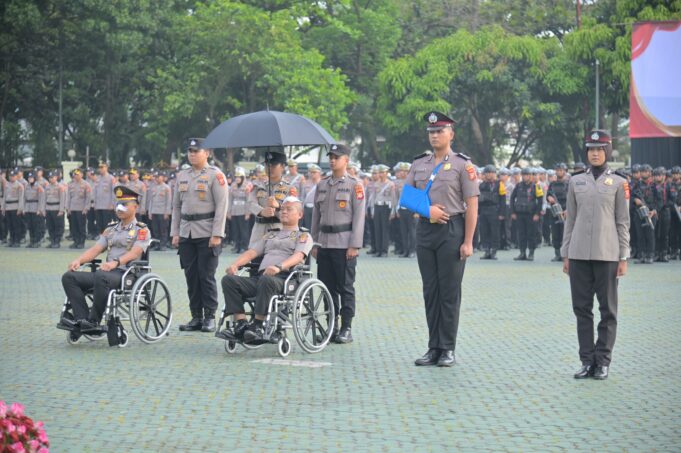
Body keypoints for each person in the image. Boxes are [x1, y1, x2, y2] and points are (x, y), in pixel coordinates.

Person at [406, 111, 479, 367]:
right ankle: (433, 348)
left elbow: (472, 205)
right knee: (431, 291)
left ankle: (447, 348)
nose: (435, 135)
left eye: (439, 131)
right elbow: (407, 197)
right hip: (426, 231)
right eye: (431, 132)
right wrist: (428, 211)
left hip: (452, 230)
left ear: (451, 134)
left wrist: (468, 241)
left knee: (449, 292)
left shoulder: (462, 165)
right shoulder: (419, 164)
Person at [561, 130, 629, 380]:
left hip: (607, 255)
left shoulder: (619, 183)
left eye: (600, 149)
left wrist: (623, 257)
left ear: (607, 151)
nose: (595, 153)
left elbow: (623, 222)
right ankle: (587, 361)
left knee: (608, 310)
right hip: (578, 255)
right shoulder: (575, 181)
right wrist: (566, 253)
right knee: (582, 309)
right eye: (591, 149)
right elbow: (570, 220)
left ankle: (603, 361)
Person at [219, 197, 313, 342]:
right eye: (282, 209)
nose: (284, 212)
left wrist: (279, 267)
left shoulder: (303, 235)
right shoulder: (271, 234)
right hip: (262, 278)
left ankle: (257, 325)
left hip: (285, 279)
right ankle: (241, 323)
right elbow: (252, 252)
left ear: (300, 215)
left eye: (289, 209)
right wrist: (235, 265)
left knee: (266, 280)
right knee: (229, 280)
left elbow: (299, 256)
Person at [60, 186, 151, 333]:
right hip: (105, 273)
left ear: (135, 207)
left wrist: (115, 262)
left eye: (124, 204)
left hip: (125, 274)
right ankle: (82, 319)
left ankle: (93, 321)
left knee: (101, 276)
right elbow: (96, 249)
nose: (119, 208)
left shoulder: (142, 230)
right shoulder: (110, 229)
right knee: (69, 277)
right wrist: (79, 261)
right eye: (118, 204)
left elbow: (135, 253)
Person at [171, 138, 229, 333]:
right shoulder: (182, 175)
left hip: (207, 231)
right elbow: (176, 206)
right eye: (190, 151)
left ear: (207, 153)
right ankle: (196, 316)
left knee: (206, 275)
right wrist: (175, 232)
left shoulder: (215, 175)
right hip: (186, 232)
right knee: (191, 276)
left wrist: (217, 234)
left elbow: (222, 206)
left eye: (196, 151)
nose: (192, 154)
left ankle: (209, 317)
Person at [311, 143, 366, 343]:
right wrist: (313, 242)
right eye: (331, 157)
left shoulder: (354, 185)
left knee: (345, 288)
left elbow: (359, 217)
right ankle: (331, 327)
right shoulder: (322, 184)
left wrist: (354, 245)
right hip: (324, 244)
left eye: (337, 157)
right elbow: (316, 215)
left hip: (344, 245)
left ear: (346, 160)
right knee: (327, 288)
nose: (332, 160)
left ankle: (346, 327)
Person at [247, 152, 296, 248]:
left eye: (273, 165)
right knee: (255, 256)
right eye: (267, 165)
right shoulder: (258, 185)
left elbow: (294, 210)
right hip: (259, 231)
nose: (269, 168)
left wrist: (278, 206)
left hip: (279, 230)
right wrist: (262, 211)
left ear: (282, 166)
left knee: (276, 256)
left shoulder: (289, 188)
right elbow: (250, 203)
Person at [510, 167, 543, 261]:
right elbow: (512, 198)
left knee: (531, 234)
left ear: (531, 176)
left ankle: (531, 253)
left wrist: (537, 214)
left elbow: (540, 201)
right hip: (520, 214)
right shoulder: (518, 186)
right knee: (521, 234)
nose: (525, 177)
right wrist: (513, 212)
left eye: (527, 175)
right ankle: (522, 253)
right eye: (524, 175)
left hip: (531, 215)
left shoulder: (536, 186)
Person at [477, 165, 505, 260]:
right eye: (487, 173)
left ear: (494, 174)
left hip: (494, 211)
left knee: (494, 232)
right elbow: (478, 200)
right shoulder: (481, 185)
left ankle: (494, 251)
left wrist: (501, 213)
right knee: (484, 231)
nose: (489, 175)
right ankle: (487, 250)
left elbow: (503, 200)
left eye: (491, 173)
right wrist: (478, 212)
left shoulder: (499, 184)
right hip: (483, 210)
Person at [371, 164, 397, 257]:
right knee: (377, 229)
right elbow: (373, 198)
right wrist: (373, 210)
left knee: (385, 229)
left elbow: (393, 198)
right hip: (377, 206)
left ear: (386, 173)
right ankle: (378, 250)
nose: (381, 174)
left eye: (382, 172)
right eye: (380, 172)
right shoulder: (376, 184)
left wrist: (393, 211)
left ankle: (384, 251)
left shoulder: (390, 184)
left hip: (386, 207)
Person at [547, 163, 569, 261]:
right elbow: (548, 195)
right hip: (555, 212)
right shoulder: (552, 184)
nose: (559, 172)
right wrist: (549, 198)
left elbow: (573, 198)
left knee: (565, 234)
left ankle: (565, 255)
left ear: (565, 171)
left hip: (566, 212)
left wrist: (568, 209)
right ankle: (557, 254)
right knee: (555, 233)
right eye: (557, 170)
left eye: (561, 170)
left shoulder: (569, 184)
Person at [66, 168, 92, 249]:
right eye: (75, 174)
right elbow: (68, 197)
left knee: (81, 226)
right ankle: (76, 241)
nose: (76, 176)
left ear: (82, 175)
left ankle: (81, 242)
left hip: (81, 209)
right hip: (72, 208)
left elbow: (88, 197)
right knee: (74, 227)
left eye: (77, 174)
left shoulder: (86, 184)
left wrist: (86, 208)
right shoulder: (70, 184)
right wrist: (68, 207)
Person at [227, 166, 251, 254]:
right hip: (234, 211)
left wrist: (248, 212)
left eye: (239, 177)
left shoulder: (247, 186)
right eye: (236, 177)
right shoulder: (233, 185)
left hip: (243, 211)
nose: (237, 179)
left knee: (243, 230)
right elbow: (230, 199)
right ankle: (237, 246)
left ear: (242, 178)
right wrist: (228, 212)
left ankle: (244, 246)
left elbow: (249, 200)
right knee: (235, 230)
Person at [148, 170, 172, 251]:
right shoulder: (153, 187)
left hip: (162, 212)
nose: (157, 178)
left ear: (163, 177)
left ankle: (163, 245)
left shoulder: (166, 187)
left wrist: (167, 212)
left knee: (163, 230)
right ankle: (157, 245)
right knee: (155, 230)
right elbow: (151, 201)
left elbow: (169, 201)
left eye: (158, 177)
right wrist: (150, 212)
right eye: (156, 177)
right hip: (154, 211)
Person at [2, 169, 25, 247]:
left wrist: (20, 208)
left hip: (15, 207)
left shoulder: (19, 185)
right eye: (10, 176)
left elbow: (21, 198)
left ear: (16, 176)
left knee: (16, 225)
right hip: (8, 207)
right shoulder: (7, 185)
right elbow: (4, 197)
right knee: (10, 225)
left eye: (13, 176)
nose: (11, 177)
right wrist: (3, 207)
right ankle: (11, 240)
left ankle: (17, 241)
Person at [23, 171, 46, 248]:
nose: (30, 179)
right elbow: (24, 198)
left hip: (36, 208)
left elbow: (41, 199)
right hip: (28, 208)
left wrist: (39, 209)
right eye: (29, 178)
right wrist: (24, 208)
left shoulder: (38, 187)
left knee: (36, 226)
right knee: (30, 226)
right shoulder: (26, 186)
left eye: (31, 178)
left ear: (35, 178)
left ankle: (37, 241)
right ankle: (32, 241)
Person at [45, 170, 66, 248]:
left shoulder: (60, 187)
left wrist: (61, 210)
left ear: (56, 177)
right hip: (49, 208)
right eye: (49, 177)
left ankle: (57, 241)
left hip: (57, 208)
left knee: (58, 226)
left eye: (52, 177)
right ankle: (52, 241)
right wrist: (44, 209)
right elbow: (44, 199)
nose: (51, 179)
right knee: (50, 226)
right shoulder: (47, 187)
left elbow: (62, 199)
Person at [93, 162, 115, 235]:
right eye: (99, 167)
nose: (100, 169)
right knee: (99, 223)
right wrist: (94, 203)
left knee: (107, 223)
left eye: (102, 167)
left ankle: (108, 238)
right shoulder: (97, 178)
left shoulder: (111, 178)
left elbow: (114, 192)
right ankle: (101, 237)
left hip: (107, 205)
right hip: (98, 205)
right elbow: (95, 192)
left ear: (106, 168)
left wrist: (112, 204)